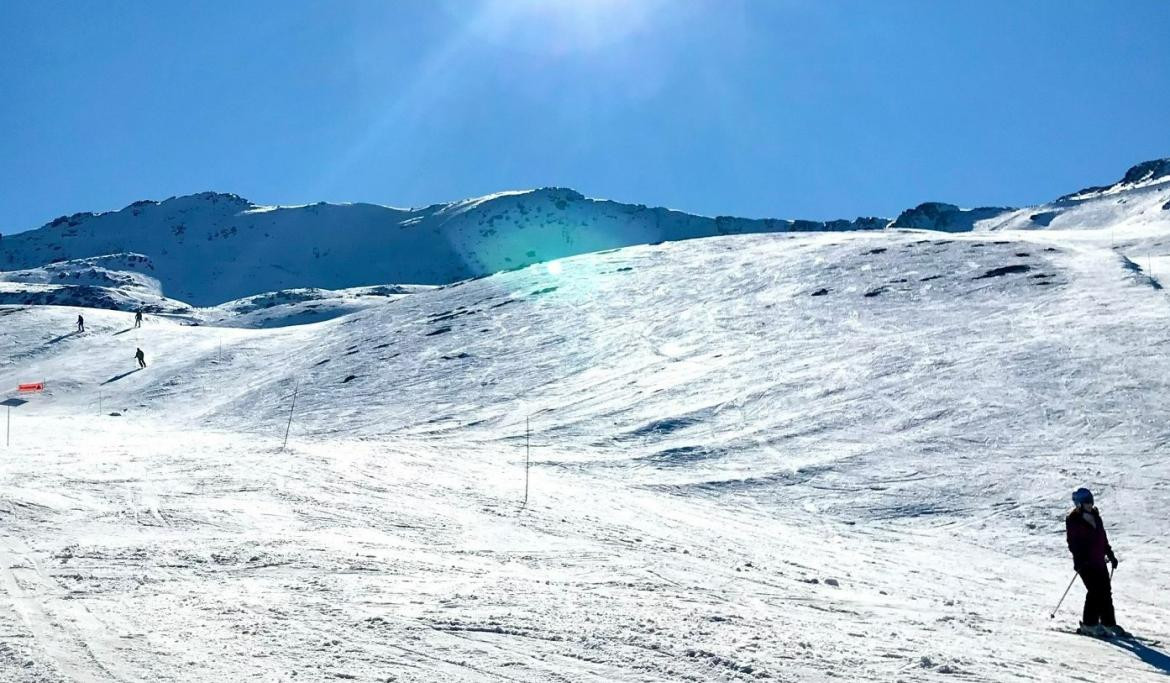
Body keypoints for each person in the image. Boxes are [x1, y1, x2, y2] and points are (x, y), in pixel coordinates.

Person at [1066, 488, 1125, 637]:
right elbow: (1073, 542)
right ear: (1079, 504)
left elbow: (1102, 538)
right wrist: (1080, 558)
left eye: (1091, 501)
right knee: (1095, 592)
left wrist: (1110, 554)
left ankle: (1108, 623)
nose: (1090, 505)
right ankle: (1089, 624)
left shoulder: (1096, 517)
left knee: (1106, 592)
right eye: (1086, 502)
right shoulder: (1073, 520)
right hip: (1085, 563)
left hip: (1099, 561)